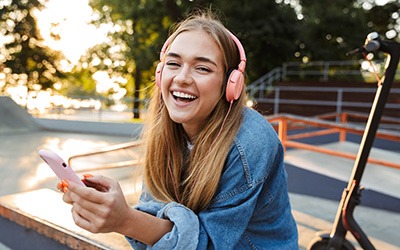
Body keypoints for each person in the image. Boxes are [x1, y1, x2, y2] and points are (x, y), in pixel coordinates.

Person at [59, 9, 298, 249]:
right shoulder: (168, 131)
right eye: (173, 63)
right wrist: (109, 208)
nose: (182, 77)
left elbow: (208, 245)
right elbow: (156, 226)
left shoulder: (251, 143)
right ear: (160, 73)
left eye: (202, 68)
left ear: (230, 84)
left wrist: (125, 220)